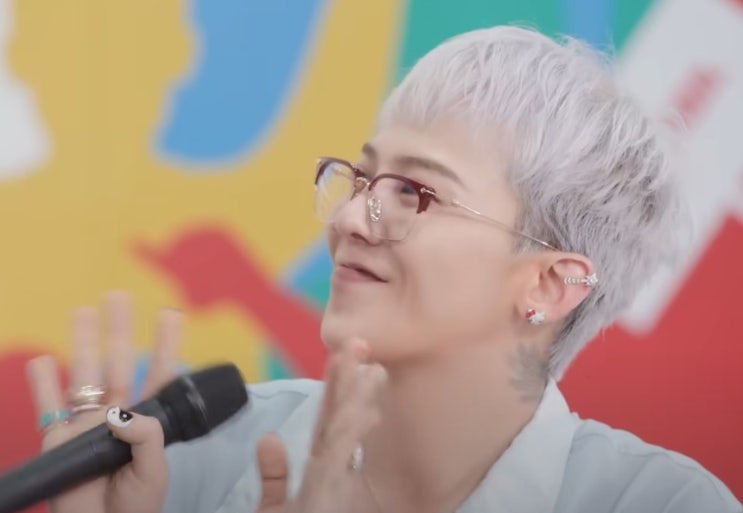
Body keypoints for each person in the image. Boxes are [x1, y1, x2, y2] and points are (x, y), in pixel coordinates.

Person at [26, 25, 742, 513]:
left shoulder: (660, 502)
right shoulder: (201, 455)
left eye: (414, 193)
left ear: (548, 285)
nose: (346, 219)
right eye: (362, 180)